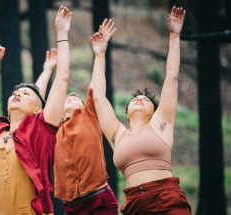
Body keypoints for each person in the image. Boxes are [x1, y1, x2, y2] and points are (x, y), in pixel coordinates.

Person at [0, 5, 72, 215]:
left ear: (38, 109)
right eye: (15, 93)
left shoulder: (42, 129)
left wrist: (62, 33)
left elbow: (62, 79)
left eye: (26, 94)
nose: (18, 94)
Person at [92, 6, 191, 214]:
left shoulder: (161, 124)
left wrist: (174, 36)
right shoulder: (117, 135)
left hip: (166, 199)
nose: (139, 99)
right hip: (134, 204)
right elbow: (98, 98)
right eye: (135, 98)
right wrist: (100, 55)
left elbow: (171, 78)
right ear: (126, 113)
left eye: (145, 99)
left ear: (155, 112)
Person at [35, 19, 118, 215]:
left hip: (100, 200)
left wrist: (100, 55)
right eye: (66, 98)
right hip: (72, 208)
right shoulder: (49, 128)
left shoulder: (89, 115)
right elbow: (33, 101)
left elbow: (96, 89)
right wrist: (47, 70)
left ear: (84, 106)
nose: (70, 97)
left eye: (75, 98)